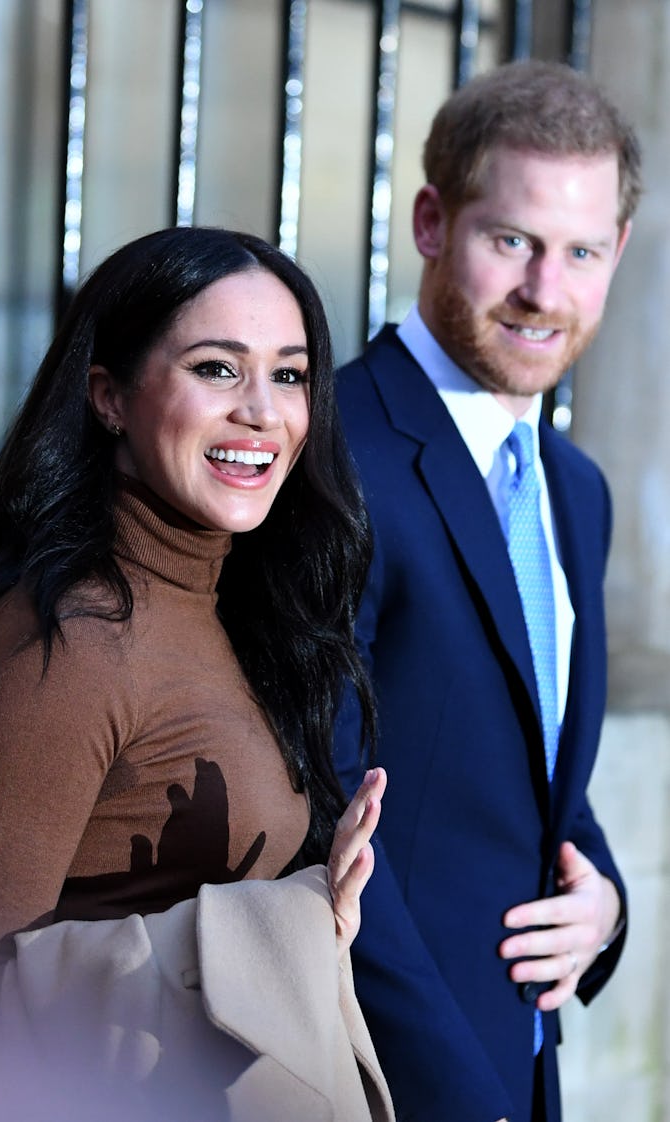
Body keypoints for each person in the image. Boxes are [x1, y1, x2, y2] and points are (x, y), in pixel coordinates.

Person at [0, 226, 393, 1121]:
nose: (261, 410)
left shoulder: (231, 603)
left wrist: (306, 921)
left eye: (289, 375)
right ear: (109, 396)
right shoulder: (73, 643)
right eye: (217, 368)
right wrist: (268, 934)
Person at [333, 59, 641, 1122]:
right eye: (508, 239)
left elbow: (517, 754)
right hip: (373, 1075)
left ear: (619, 254)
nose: (542, 292)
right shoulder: (331, 452)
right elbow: (306, 809)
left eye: (580, 252)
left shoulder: (573, 488)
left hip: (520, 1063)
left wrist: (601, 901)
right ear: (430, 221)